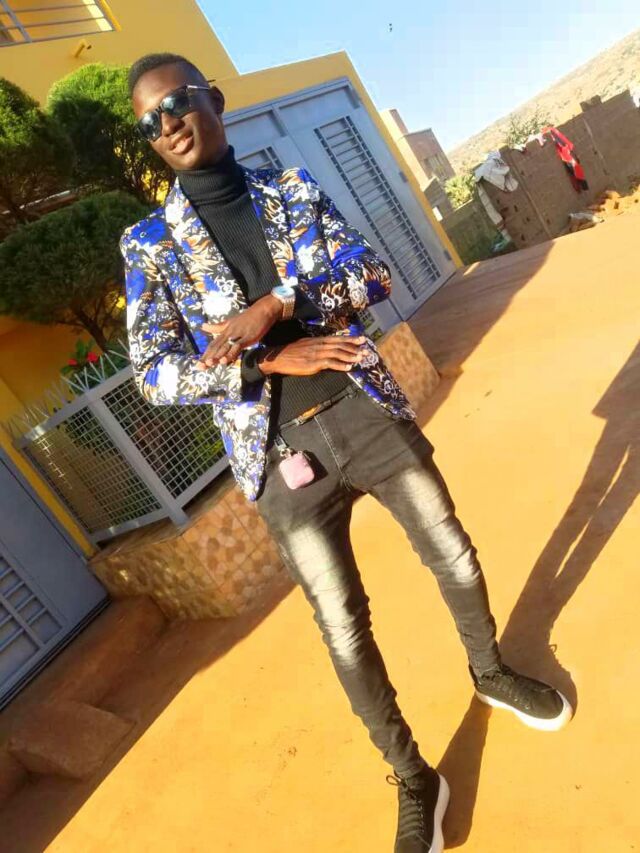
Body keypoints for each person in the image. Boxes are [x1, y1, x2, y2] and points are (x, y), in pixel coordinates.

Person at [121, 53, 573, 853]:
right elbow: (153, 372)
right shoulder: (150, 244)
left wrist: (279, 303)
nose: (168, 125)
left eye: (177, 102)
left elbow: (371, 273)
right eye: (150, 121)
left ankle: (490, 670)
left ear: (212, 99)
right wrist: (269, 359)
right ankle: (413, 775)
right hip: (277, 455)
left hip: (363, 409)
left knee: (453, 553)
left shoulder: (291, 190)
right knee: (342, 627)